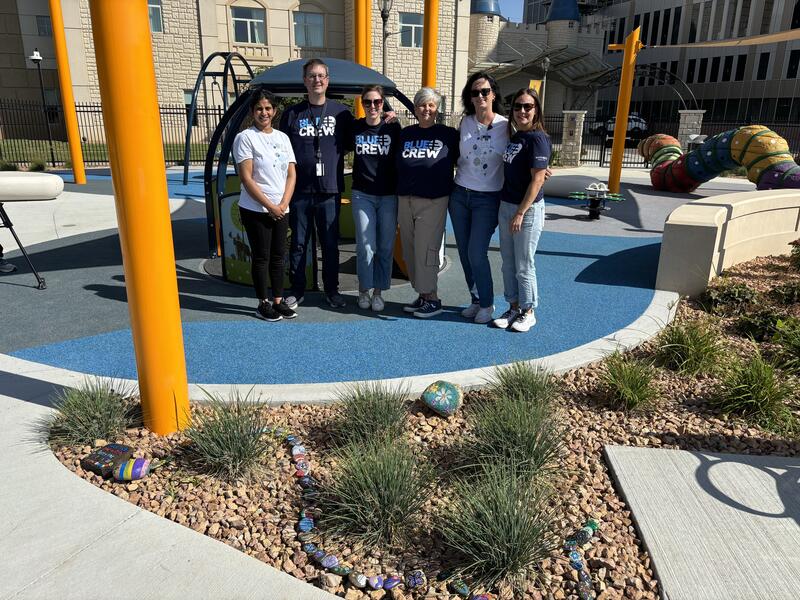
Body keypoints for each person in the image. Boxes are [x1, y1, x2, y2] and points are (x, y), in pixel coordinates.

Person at [279, 58, 353, 310]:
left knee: (330, 244)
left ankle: (331, 290)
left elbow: (361, 137)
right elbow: (281, 152)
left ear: (327, 80)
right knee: (299, 243)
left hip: (329, 190)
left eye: (321, 75)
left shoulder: (341, 113)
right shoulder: (292, 114)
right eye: (312, 76)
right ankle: (297, 289)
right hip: (299, 191)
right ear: (305, 81)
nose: (317, 80)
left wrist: (387, 120)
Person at [232, 88, 297, 321]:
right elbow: (247, 178)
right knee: (262, 256)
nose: (264, 112)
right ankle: (263, 303)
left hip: (281, 207)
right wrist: (270, 206)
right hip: (256, 209)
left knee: (279, 256)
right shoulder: (246, 138)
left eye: (268, 108)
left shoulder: (282, 138)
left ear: (274, 110)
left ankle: (278, 301)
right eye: (259, 108)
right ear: (252, 111)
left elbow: (291, 173)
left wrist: (283, 203)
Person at [450, 72, 508, 325]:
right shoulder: (465, 123)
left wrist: (541, 169)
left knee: (477, 251)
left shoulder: (507, 126)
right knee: (464, 251)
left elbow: (526, 146)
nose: (481, 96)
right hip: (460, 194)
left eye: (485, 91)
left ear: (494, 94)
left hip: (488, 198)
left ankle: (487, 302)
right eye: (475, 92)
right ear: (470, 97)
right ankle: (475, 300)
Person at [396, 87, 459, 318]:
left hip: (433, 200)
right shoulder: (405, 134)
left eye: (431, 105)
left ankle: (432, 297)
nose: (426, 109)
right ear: (415, 108)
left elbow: (473, 156)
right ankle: (422, 294)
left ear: (437, 109)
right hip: (406, 199)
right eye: (422, 105)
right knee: (410, 250)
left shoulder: (449, 134)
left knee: (427, 250)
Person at [492, 87, 550, 333]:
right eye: (518, 107)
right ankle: (513, 306)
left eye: (528, 106)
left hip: (525, 210)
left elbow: (537, 180)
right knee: (507, 263)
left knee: (524, 263)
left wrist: (520, 212)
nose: (522, 111)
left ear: (536, 110)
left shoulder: (537, 138)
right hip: (506, 205)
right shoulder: (516, 137)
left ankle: (528, 311)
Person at [349, 85, 402, 312]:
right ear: (362, 104)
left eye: (377, 102)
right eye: (368, 102)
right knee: (365, 246)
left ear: (383, 104)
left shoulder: (393, 128)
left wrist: (397, 118)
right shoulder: (355, 128)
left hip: (388, 195)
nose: (372, 106)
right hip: (363, 195)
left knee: (385, 246)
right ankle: (364, 289)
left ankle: (379, 291)